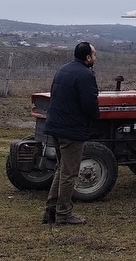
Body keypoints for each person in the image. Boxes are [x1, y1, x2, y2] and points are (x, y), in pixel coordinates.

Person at [42, 41, 100, 226]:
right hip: (71, 130)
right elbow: (90, 105)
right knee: (70, 173)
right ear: (88, 57)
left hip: (56, 127)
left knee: (61, 169)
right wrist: (94, 120)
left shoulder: (63, 70)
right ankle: (64, 214)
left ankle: (51, 210)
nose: (95, 57)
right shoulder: (85, 75)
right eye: (94, 54)